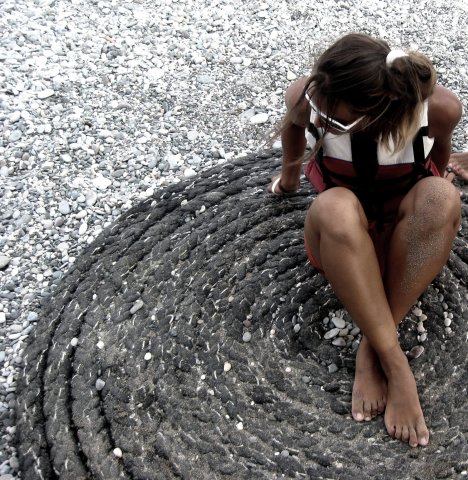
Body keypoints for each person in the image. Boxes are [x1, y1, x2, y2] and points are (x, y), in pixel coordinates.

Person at [268, 33, 462, 448]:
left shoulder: (439, 109)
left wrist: (431, 214)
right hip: (341, 242)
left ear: (379, 109)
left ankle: (371, 347)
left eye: (336, 119)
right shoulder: (308, 97)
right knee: (335, 206)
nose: (321, 114)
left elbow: (437, 159)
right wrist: (288, 179)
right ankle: (395, 362)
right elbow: (294, 130)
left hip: (402, 243)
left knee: (442, 195)